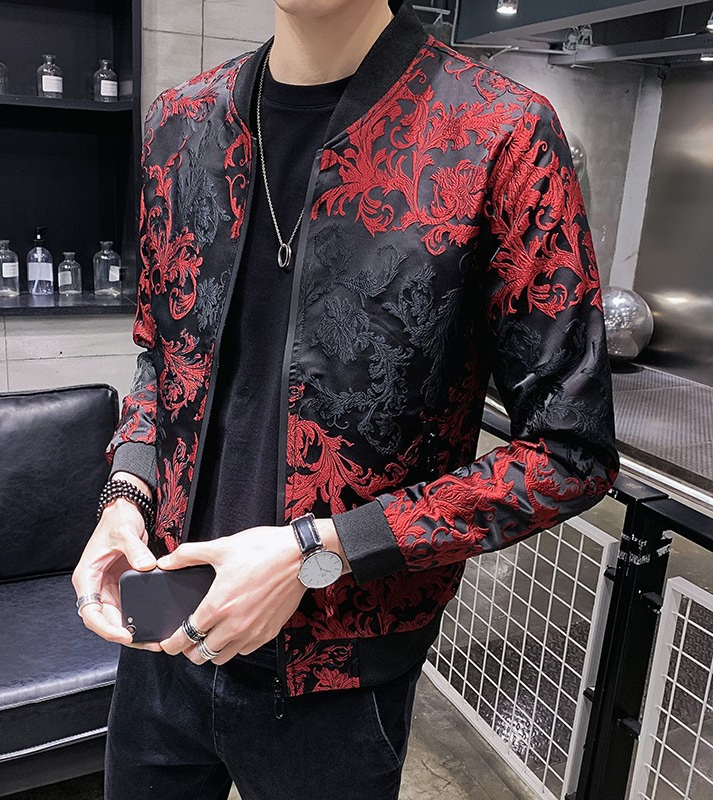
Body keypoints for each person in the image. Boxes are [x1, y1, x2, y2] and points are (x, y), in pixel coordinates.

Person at [72, 0, 620, 797]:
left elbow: (571, 453)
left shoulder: (499, 135)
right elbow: (164, 357)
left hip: (338, 678)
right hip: (162, 628)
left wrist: (317, 551)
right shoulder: (181, 125)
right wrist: (126, 496)